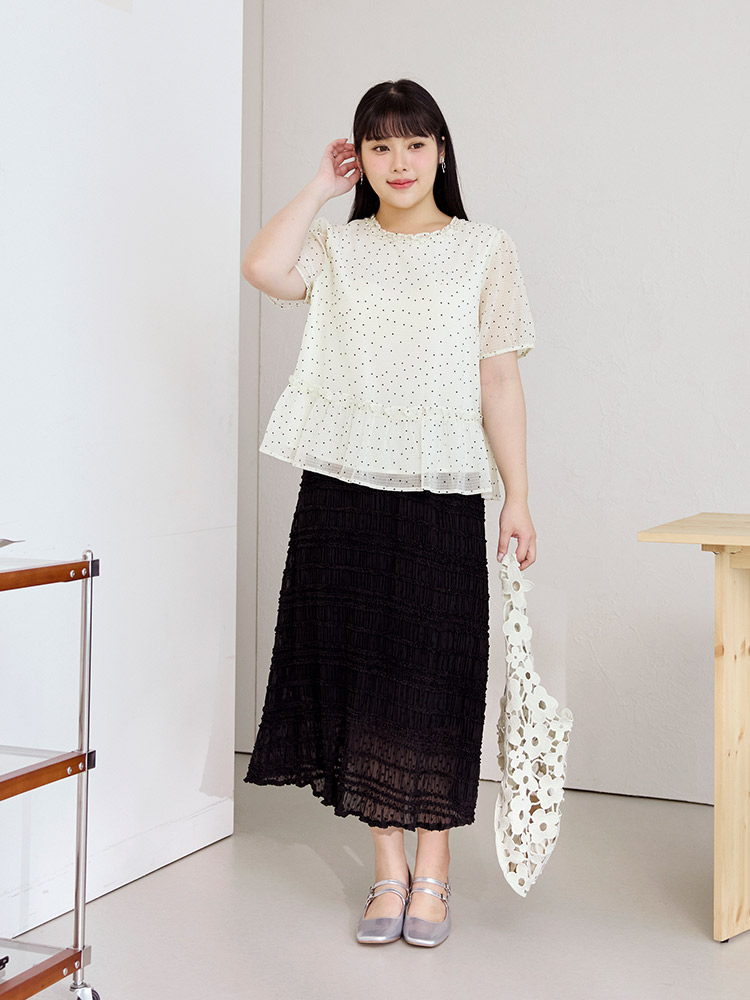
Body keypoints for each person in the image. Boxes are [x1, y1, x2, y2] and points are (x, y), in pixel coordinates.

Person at [241, 78, 537, 948]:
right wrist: (317, 189)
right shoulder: (339, 247)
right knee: (361, 670)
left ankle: (434, 871)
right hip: (345, 485)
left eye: (413, 143)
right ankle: (387, 871)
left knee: (437, 674)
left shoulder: (485, 249)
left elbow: (499, 379)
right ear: (359, 159)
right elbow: (262, 269)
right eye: (379, 146)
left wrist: (518, 495)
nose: (398, 162)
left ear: (441, 151)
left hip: (444, 485)